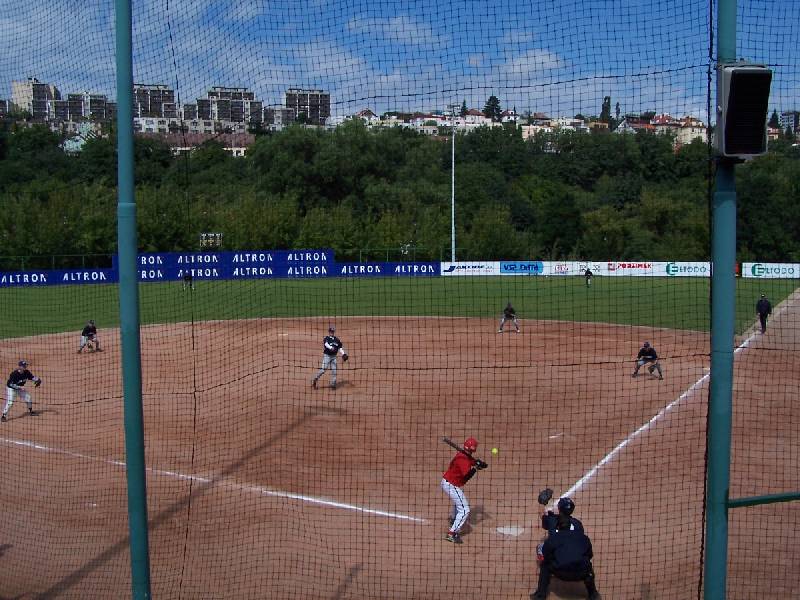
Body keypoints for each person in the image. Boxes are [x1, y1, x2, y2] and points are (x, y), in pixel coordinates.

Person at [531, 505, 600, 600]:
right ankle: (593, 595)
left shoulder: (553, 539)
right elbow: (589, 555)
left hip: (560, 573)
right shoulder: (583, 537)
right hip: (581, 574)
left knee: (545, 565)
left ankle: (540, 595)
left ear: (558, 526)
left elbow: (546, 556)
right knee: (588, 566)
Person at [441, 437, 486, 544]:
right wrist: (475, 469)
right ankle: (451, 534)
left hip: (450, 483)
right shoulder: (463, 460)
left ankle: (453, 519)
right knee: (465, 509)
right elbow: (466, 477)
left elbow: (472, 461)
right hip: (450, 485)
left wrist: (479, 463)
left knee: (459, 503)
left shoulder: (464, 456)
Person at [311, 326, 348, 390]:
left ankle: (333, 385)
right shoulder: (326, 338)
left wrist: (343, 353)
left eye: (333, 332)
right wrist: (331, 348)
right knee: (323, 370)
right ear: (329, 332)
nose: (332, 333)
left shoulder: (337, 340)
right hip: (327, 356)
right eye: (331, 331)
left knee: (334, 371)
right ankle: (315, 379)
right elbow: (326, 344)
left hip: (334, 357)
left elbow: (340, 348)